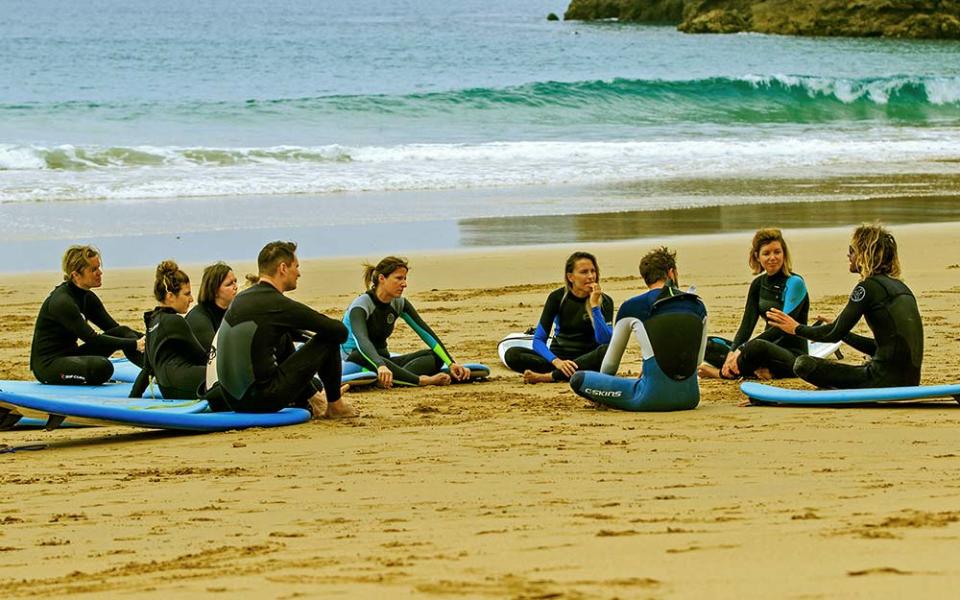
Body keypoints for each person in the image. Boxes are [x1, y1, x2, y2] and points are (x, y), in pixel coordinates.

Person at [767, 224, 923, 389]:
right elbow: (886, 347)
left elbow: (832, 334)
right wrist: (843, 332)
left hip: (882, 379)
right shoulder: (902, 288)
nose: (848, 255)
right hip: (909, 381)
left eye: (852, 250)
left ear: (864, 254)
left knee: (803, 364)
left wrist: (796, 328)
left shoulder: (867, 287)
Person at [213, 241, 356, 417]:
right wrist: (311, 340)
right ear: (283, 268)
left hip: (231, 399)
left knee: (283, 333)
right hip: (260, 400)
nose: (299, 273)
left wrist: (301, 335)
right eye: (296, 266)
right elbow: (339, 331)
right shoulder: (276, 304)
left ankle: (315, 399)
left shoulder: (241, 299)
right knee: (329, 338)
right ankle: (336, 406)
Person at [570, 247, 707, 411]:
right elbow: (697, 361)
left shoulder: (632, 306)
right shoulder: (698, 305)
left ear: (645, 277)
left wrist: (603, 390)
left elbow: (610, 365)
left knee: (579, 379)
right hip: (690, 398)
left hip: (650, 398)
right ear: (671, 273)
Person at [341, 256, 471, 388]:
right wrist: (380, 365)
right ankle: (421, 380)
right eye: (398, 278)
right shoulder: (361, 305)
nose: (404, 284)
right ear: (382, 278)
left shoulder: (399, 303)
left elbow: (425, 333)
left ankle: (392, 379)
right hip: (356, 361)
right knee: (361, 356)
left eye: (405, 278)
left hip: (385, 362)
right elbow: (361, 340)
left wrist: (450, 363)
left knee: (435, 356)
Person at [701, 228, 809, 380]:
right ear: (757, 257)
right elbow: (747, 326)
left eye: (777, 252)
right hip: (761, 352)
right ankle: (758, 371)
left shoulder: (794, 283)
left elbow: (781, 330)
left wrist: (742, 349)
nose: (773, 257)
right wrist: (732, 352)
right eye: (766, 253)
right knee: (708, 344)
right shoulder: (758, 284)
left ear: (784, 253)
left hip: (792, 357)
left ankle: (720, 374)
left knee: (755, 346)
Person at [30, 245, 144, 385]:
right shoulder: (62, 302)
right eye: (93, 269)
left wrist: (148, 340)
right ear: (75, 275)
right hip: (48, 366)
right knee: (102, 367)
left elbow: (115, 329)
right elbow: (92, 339)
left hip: (72, 357)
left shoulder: (87, 297)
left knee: (124, 332)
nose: (100, 273)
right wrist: (135, 344)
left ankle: (155, 372)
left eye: (99, 267)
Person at [503, 251, 613, 384]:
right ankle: (562, 373)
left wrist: (595, 307)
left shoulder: (605, 301)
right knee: (512, 354)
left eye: (593, 271)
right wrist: (557, 361)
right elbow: (538, 340)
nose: (591, 276)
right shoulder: (557, 298)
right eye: (584, 272)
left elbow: (605, 339)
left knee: (607, 350)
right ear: (570, 277)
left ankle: (549, 377)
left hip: (587, 358)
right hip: (560, 357)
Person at [133, 261, 209, 399]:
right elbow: (202, 357)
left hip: (167, 388)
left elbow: (147, 369)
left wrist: (133, 398)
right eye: (187, 294)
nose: (191, 299)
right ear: (170, 296)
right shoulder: (175, 321)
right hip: (182, 382)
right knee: (227, 375)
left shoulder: (153, 321)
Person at [185, 262, 238, 353]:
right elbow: (213, 355)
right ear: (215, 291)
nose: (235, 287)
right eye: (229, 284)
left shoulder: (231, 312)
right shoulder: (198, 318)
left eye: (235, 281)